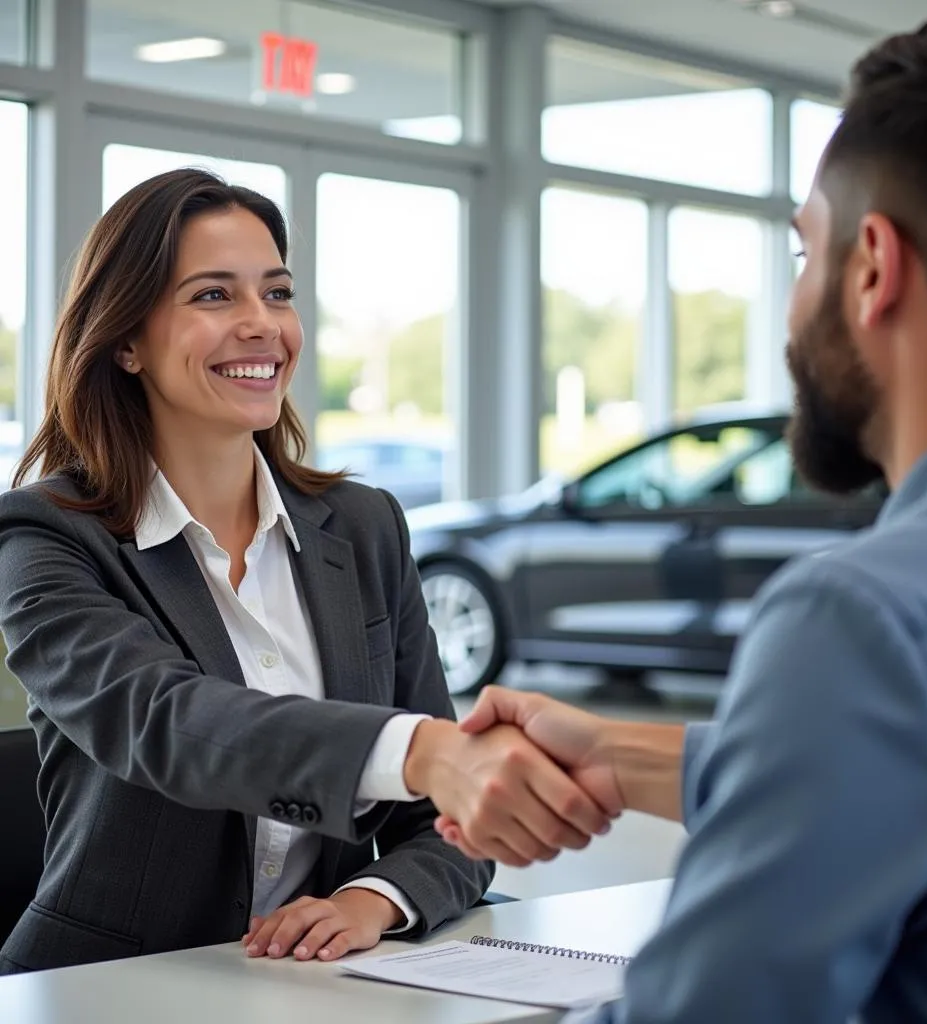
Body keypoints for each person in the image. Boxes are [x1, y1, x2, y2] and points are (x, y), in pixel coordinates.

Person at [434, 16, 927, 1022]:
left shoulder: (866, 623)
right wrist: (630, 758)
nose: (793, 304)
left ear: (872, 268)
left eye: (804, 254)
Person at [0, 169, 612, 975]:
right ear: (125, 340)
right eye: (213, 296)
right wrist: (424, 749)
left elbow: (446, 823)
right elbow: (169, 721)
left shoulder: (364, 528)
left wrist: (373, 899)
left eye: (278, 293)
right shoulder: (48, 537)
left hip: (317, 989)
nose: (262, 325)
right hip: (108, 987)